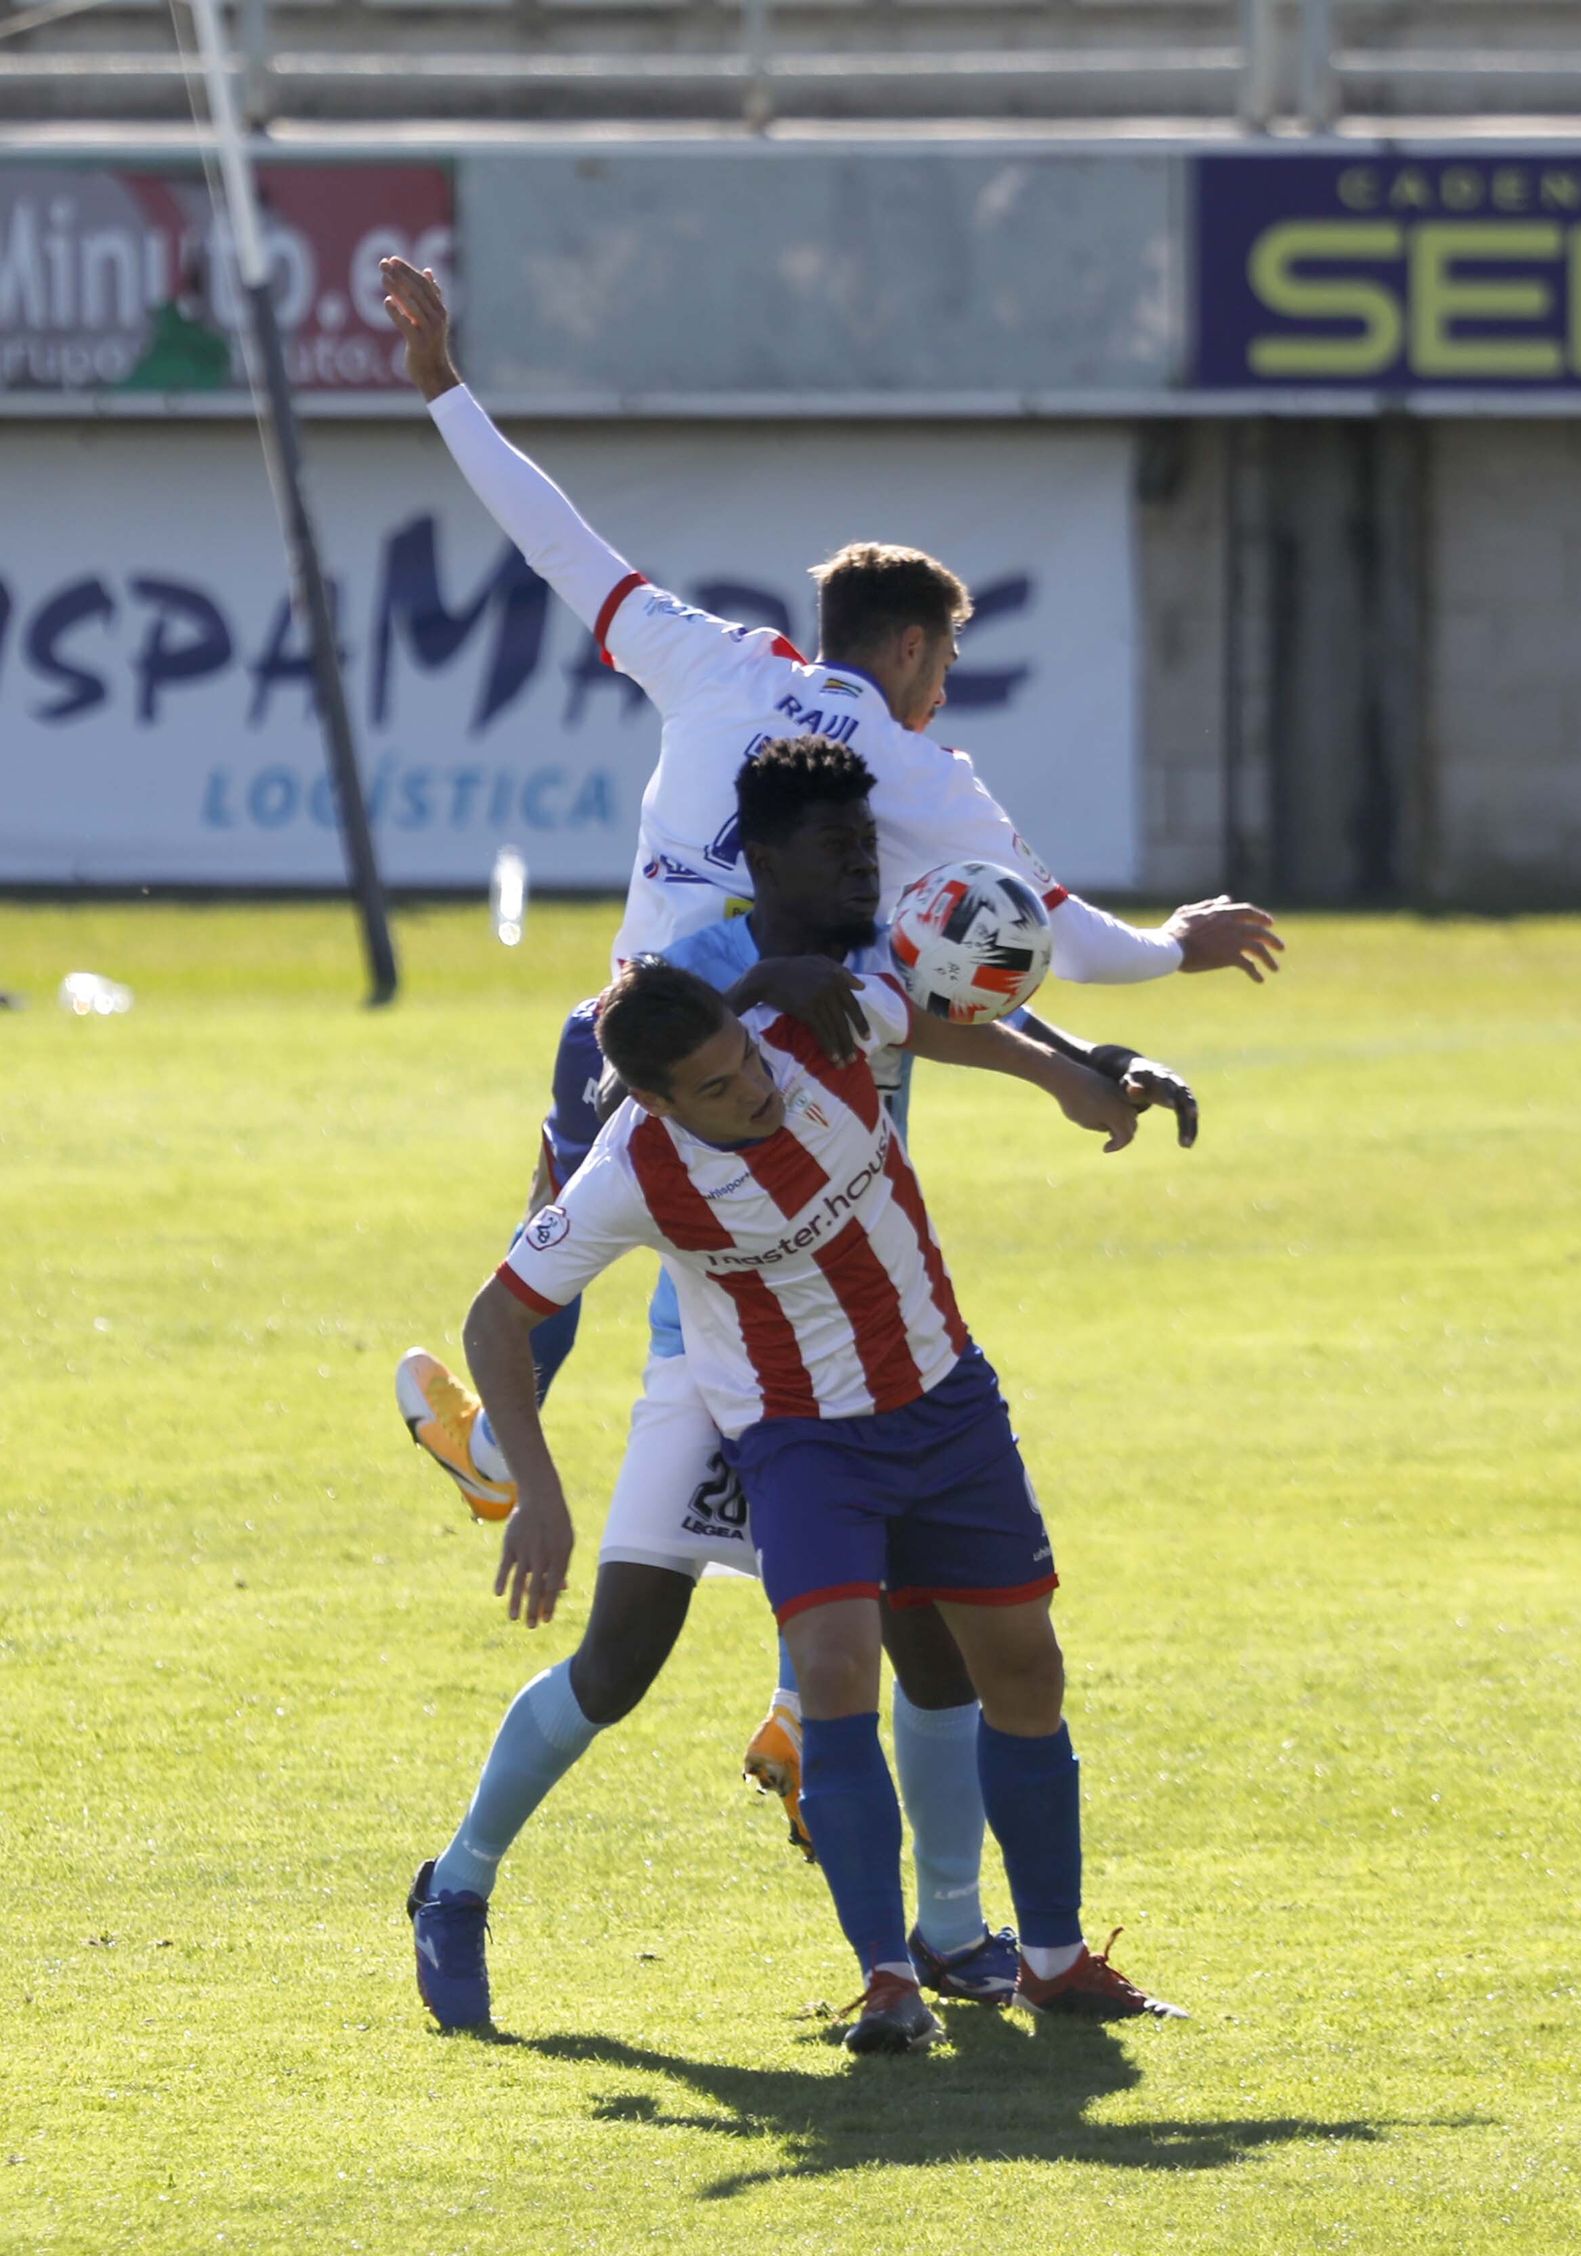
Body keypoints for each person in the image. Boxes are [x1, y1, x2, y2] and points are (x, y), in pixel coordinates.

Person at [406, 737, 1195, 2035]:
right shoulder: (704, 980)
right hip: (720, 1378)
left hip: (886, 1372)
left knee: (936, 1652)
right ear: (763, 859)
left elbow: (951, 1005)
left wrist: (1081, 1071)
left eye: (871, 851)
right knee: (620, 1663)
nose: (865, 874)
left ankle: (950, 1938)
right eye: (840, 853)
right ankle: (459, 1881)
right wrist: (531, 1476)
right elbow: (589, 1106)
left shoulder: (862, 960)